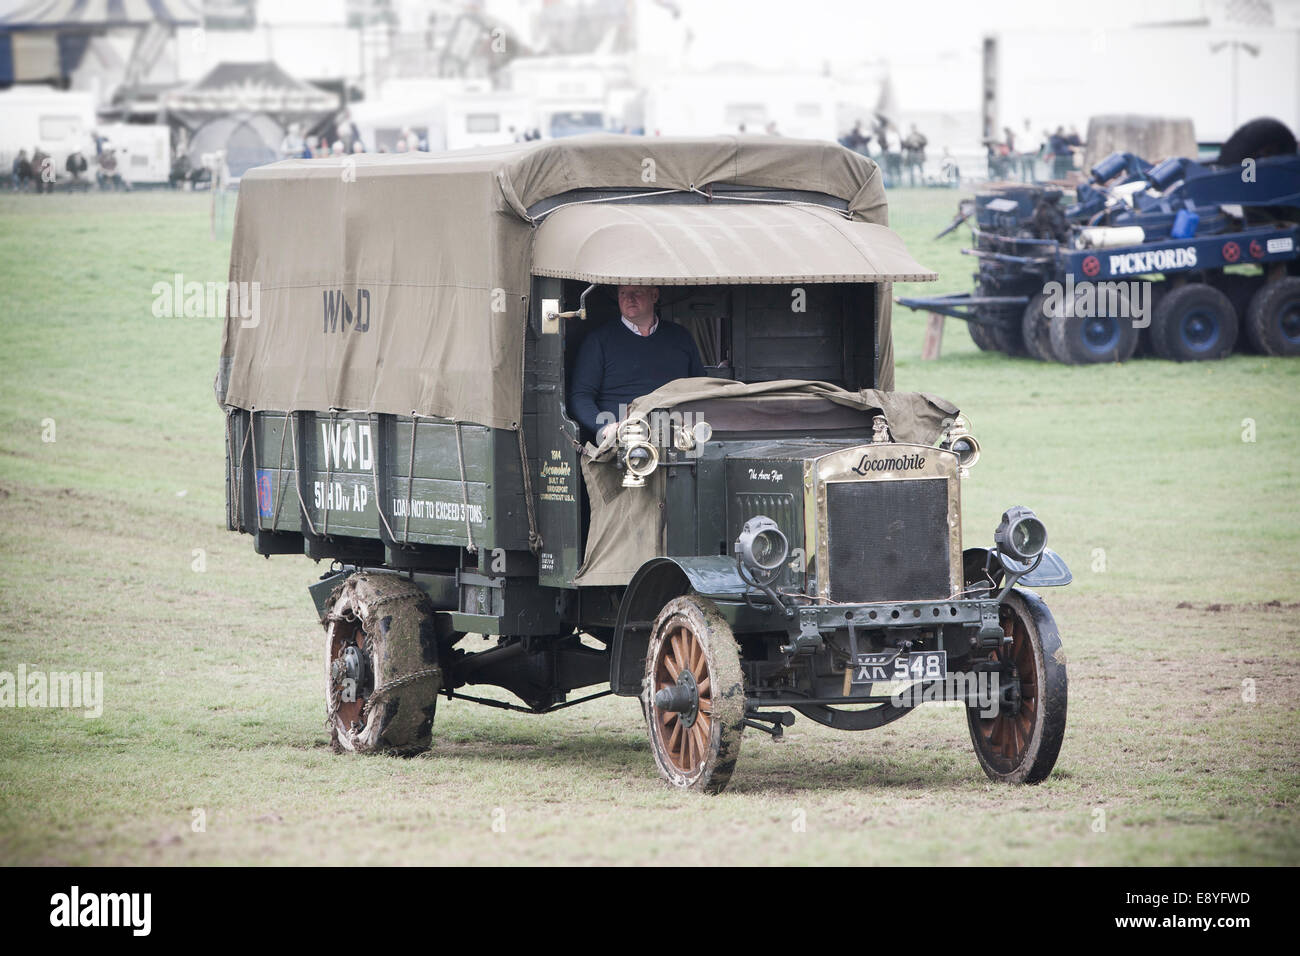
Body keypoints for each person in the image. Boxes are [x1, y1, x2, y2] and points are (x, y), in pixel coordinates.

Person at [568, 285, 706, 443]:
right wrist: (605, 427)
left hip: (678, 436)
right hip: (621, 439)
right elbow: (581, 396)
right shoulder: (599, 341)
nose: (629, 298)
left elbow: (700, 388)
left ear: (654, 295)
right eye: (623, 293)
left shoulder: (681, 337)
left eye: (637, 292)